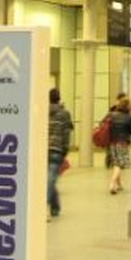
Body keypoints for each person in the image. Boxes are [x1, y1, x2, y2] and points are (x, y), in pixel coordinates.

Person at [47, 87, 73, 218]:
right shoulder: (64, 114)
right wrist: (65, 150)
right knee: (50, 180)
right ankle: (48, 205)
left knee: (50, 179)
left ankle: (55, 207)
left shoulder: (41, 111)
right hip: (57, 150)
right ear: (59, 99)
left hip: (43, 150)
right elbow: (66, 133)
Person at [108, 95, 131, 194]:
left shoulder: (112, 115)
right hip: (122, 143)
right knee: (119, 164)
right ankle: (112, 184)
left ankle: (119, 184)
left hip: (112, 143)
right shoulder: (128, 118)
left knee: (116, 162)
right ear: (127, 107)